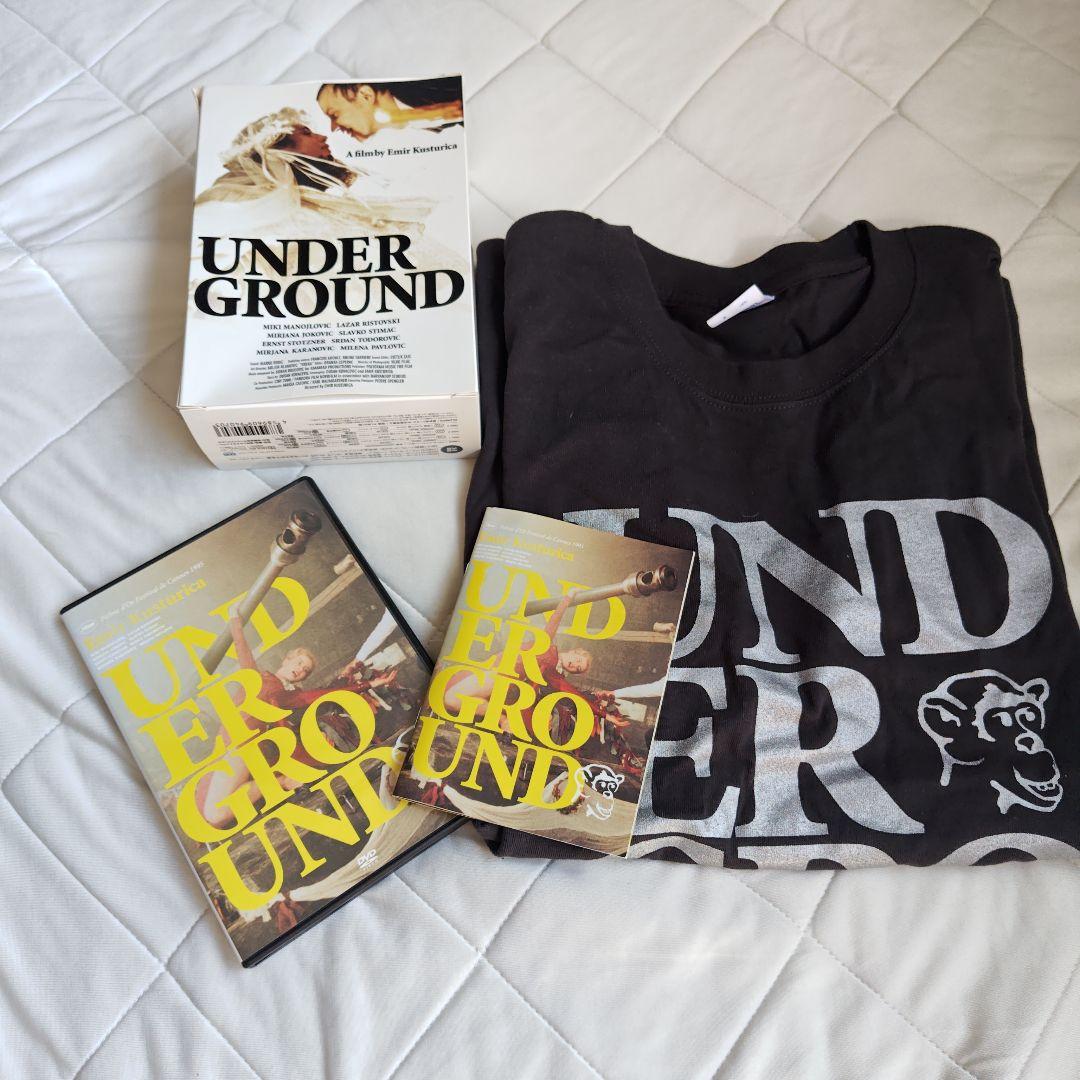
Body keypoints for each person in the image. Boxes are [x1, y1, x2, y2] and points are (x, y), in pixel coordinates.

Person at [194, 608, 396, 829]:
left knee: (216, 815)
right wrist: (235, 620)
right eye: (299, 663)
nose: (300, 670)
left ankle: (281, 781)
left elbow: (324, 694)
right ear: (287, 660)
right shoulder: (257, 678)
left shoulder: (290, 695)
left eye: (305, 670)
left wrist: (369, 684)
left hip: (246, 748)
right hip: (233, 748)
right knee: (216, 817)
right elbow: (243, 651)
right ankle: (280, 782)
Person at [316, 79, 463, 141]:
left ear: (366, 96)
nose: (333, 128)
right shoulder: (420, 126)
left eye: (334, 114)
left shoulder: (434, 85)